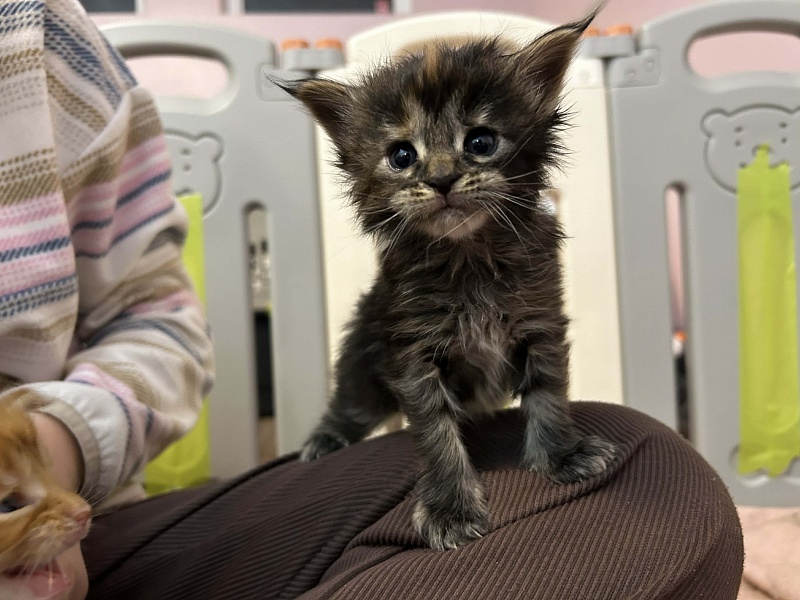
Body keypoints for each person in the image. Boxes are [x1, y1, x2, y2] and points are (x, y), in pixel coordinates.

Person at [2, 2, 744, 599]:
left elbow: (152, 322)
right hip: (77, 524)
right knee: (374, 392)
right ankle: (353, 437)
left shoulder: (46, 39)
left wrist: (43, 455)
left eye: (480, 144)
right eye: (404, 156)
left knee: (654, 472)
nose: (443, 174)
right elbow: (413, 372)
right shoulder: (413, 268)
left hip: (86, 521)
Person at [0, 1, 214, 598]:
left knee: (440, 479)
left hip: (109, 537)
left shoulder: (36, 26)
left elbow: (161, 325)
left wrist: (59, 445)